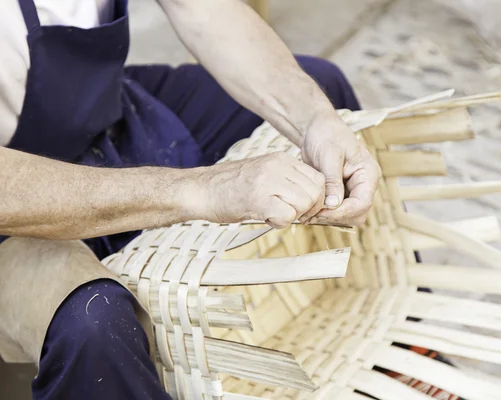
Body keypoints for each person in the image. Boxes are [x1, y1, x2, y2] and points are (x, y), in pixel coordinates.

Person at [0, 0, 381, 399]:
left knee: (324, 87)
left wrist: (313, 119)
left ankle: (387, 341)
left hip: (103, 120)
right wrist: (202, 188)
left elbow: (200, 8)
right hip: (15, 212)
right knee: (94, 322)